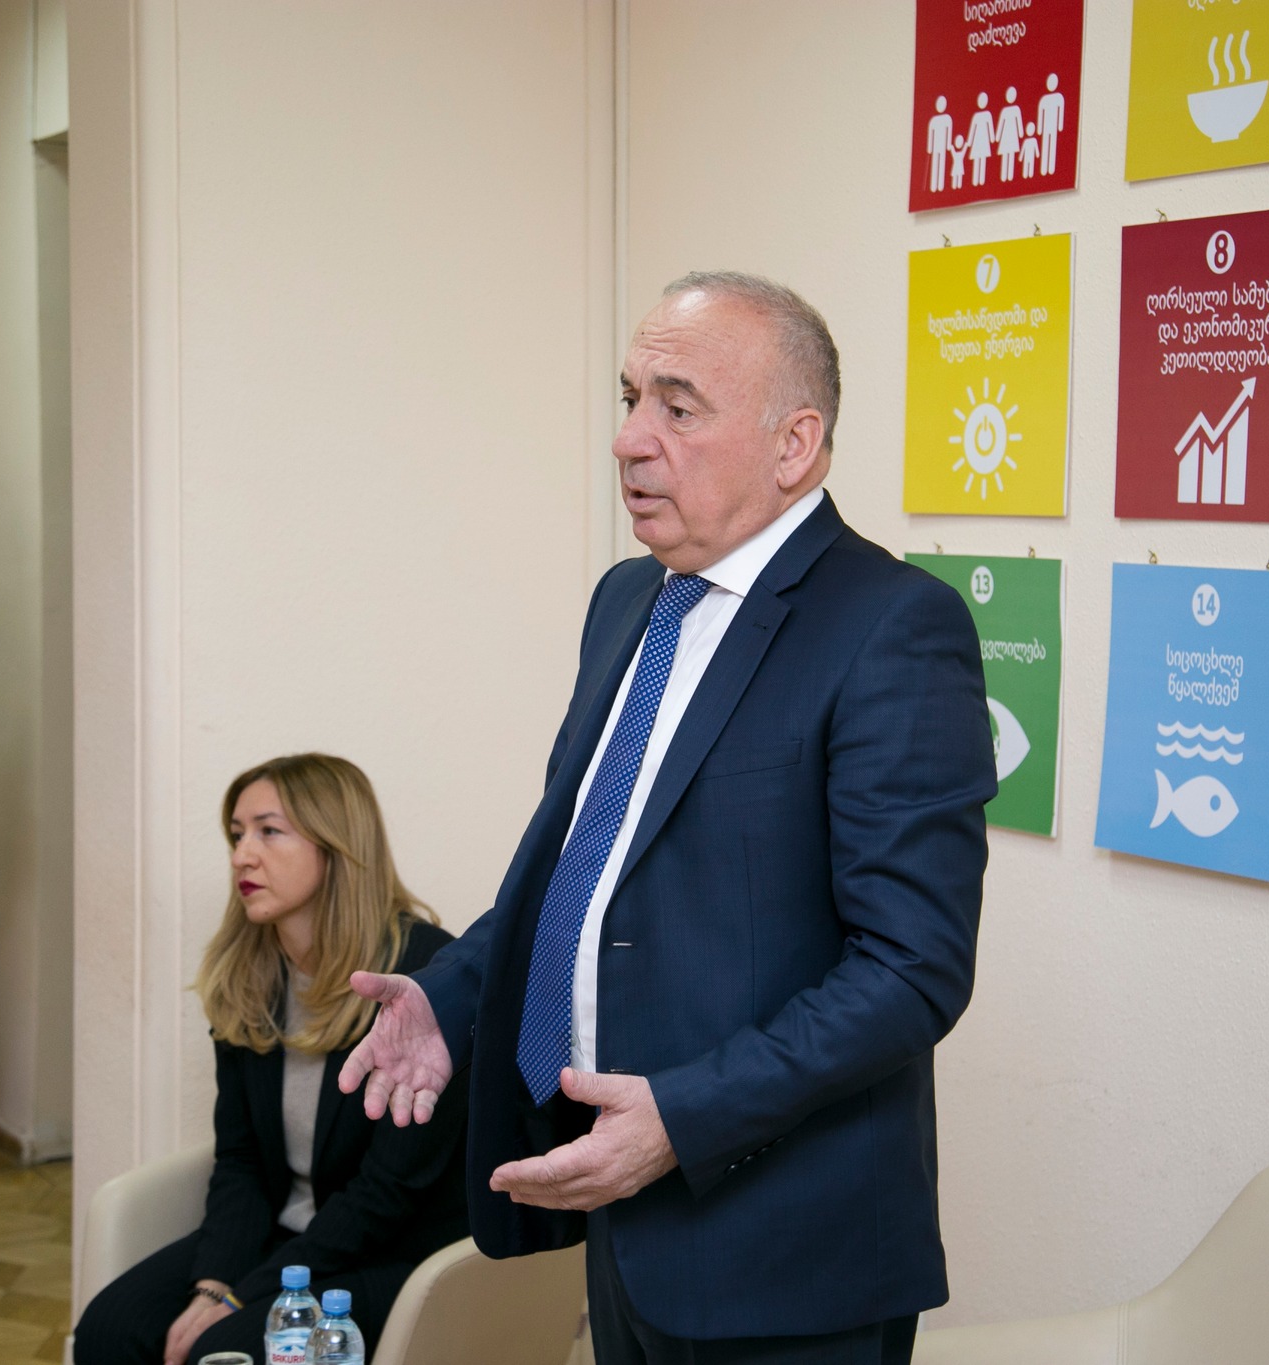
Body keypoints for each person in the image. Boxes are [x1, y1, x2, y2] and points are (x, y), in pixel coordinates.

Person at [338, 273, 996, 1364]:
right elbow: (581, 871)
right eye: (629, 397)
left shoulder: (892, 627)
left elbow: (911, 968)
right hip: (626, 1228)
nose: (629, 440)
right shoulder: (628, 601)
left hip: (790, 1262)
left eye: (677, 408)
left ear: (793, 445)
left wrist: (681, 1119)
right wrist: (448, 996)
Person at [75, 754, 468, 1365]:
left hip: (397, 1250)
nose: (242, 856)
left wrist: (244, 1298)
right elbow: (243, 1162)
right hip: (287, 1237)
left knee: (225, 1350)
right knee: (110, 1329)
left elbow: (390, 1192)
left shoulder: (423, 978)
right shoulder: (248, 976)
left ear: (336, 845)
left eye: (268, 831)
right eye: (236, 835)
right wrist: (214, 1282)